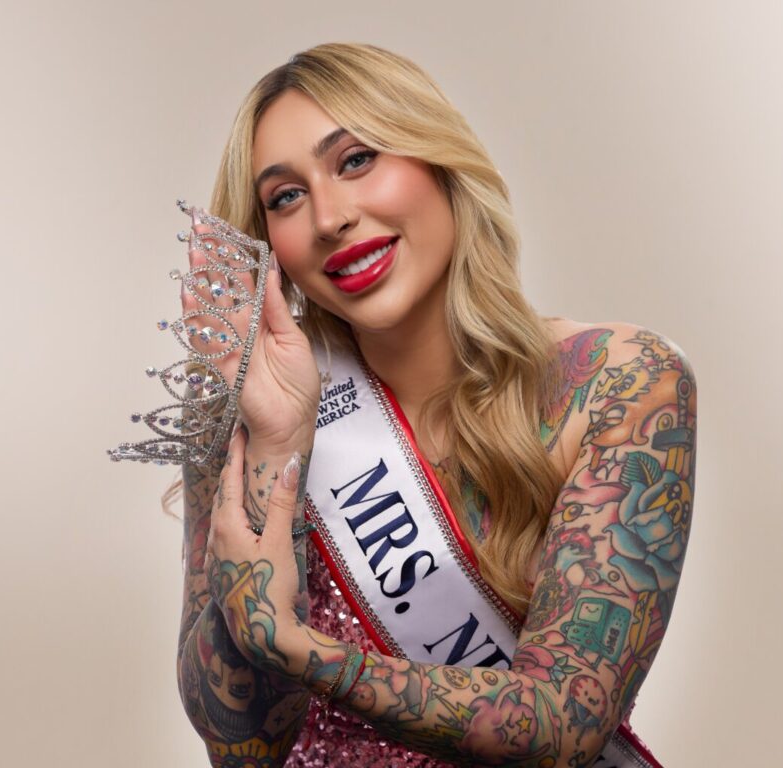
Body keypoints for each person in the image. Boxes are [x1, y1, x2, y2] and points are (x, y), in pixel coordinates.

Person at [168, 43, 697, 767]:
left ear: (438, 160)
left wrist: (299, 650)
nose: (330, 217)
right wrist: (274, 446)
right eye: (285, 196)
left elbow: (562, 726)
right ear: (270, 245)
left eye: (356, 160)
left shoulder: (616, 382)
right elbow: (242, 748)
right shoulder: (251, 404)